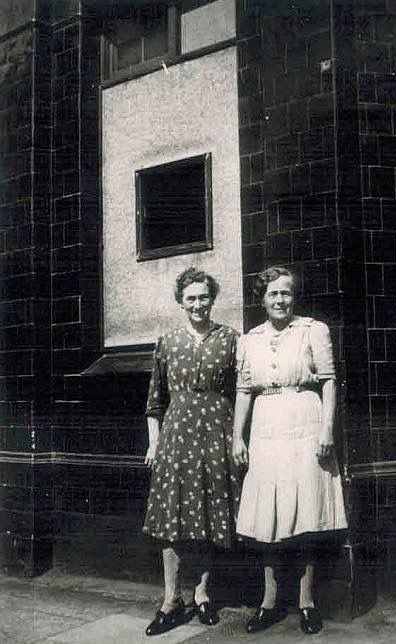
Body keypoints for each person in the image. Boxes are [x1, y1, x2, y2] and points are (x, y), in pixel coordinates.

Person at [232, 265, 347, 635]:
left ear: (294, 297)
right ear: (261, 300)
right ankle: (268, 602)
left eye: (286, 293)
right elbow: (244, 391)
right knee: (269, 514)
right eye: (273, 294)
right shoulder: (250, 338)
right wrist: (238, 437)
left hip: (306, 422)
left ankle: (306, 601)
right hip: (266, 425)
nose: (280, 300)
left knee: (306, 513)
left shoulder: (314, 330)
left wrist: (327, 429)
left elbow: (329, 381)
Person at [142, 267, 239, 636]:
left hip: (218, 434)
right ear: (180, 302)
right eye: (191, 298)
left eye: (204, 297)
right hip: (177, 436)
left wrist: (238, 438)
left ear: (212, 299)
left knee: (213, 516)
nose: (198, 304)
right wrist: (154, 443)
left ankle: (202, 594)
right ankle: (171, 600)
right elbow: (155, 401)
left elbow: (240, 394)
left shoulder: (230, 339)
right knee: (173, 518)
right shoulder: (167, 342)